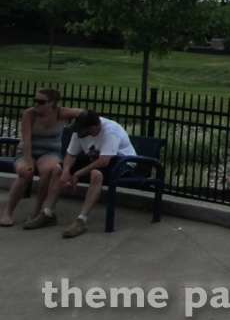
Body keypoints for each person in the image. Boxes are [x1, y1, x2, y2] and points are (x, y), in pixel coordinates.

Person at [23, 110, 137, 238]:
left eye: (80, 129)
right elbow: (71, 155)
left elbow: (104, 162)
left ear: (92, 128)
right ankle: (48, 214)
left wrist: (77, 174)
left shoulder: (111, 131)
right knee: (57, 170)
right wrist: (66, 172)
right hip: (96, 159)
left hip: (121, 161)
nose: (77, 132)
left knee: (96, 174)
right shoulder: (80, 132)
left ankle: (81, 220)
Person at [1, 89, 83, 227]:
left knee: (49, 170)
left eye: (41, 101)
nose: (36, 104)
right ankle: (8, 212)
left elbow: (84, 113)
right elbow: (26, 139)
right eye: (35, 100)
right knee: (25, 173)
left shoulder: (61, 113)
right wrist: (28, 161)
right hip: (27, 151)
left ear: (52, 103)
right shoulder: (30, 113)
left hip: (50, 151)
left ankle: (38, 209)